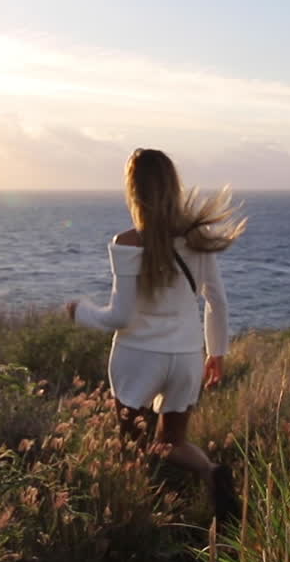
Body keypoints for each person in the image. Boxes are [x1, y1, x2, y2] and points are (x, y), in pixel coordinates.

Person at [66, 148, 245, 523]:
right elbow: (218, 302)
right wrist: (217, 353)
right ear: (173, 185)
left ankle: (137, 519)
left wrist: (80, 312)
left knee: (131, 447)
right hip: (186, 360)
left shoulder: (129, 242)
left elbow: (120, 316)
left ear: (134, 191)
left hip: (138, 357)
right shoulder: (198, 239)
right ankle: (212, 474)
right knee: (171, 443)